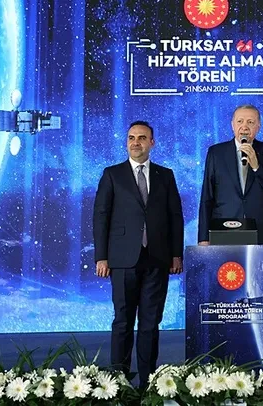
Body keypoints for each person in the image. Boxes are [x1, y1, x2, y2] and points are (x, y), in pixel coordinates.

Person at [93, 121, 184, 388]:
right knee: (122, 321)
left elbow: (175, 217)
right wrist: (101, 257)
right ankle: (118, 383)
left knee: (150, 323)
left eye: (142, 138)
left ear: (152, 143)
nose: (136, 142)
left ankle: (148, 383)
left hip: (157, 259)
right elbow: (100, 217)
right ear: (126, 142)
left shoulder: (165, 175)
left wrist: (176, 254)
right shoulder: (112, 174)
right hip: (122, 260)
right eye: (132, 138)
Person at [198, 105, 263, 245]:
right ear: (232, 125)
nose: (244, 126)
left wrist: (257, 167)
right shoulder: (216, 153)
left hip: (260, 231)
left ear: (258, 127)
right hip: (223, 229)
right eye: (240, 121)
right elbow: (207, 197)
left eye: (250, 122)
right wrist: (203, 237)